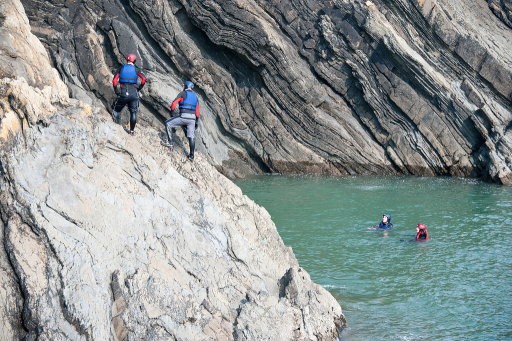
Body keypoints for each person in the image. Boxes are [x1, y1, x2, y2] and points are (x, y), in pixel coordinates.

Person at [162, 80, 200, 161]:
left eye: (184, 86)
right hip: (192, 119)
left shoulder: (183, 93)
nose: (183, 87)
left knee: (168, 123)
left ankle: (170, 143)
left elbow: (173, 104)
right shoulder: (195, 97)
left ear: (186, 86)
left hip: (184, 116)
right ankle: (191, 156)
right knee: (191, 136)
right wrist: (196, 122)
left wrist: (171, 113)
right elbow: (197, 112)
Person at [111, 54, 147, 135]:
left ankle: (116, 126)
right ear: (134, 61)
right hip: (134, 92)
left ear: (127, 60)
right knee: (133, 112)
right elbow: (144, 79)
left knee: (116, 110)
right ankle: (131, 131)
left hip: (123, 91)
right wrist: (139, 88)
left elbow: (114, 81)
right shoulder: (137, 69)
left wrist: (116, 91)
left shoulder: (121, 68)